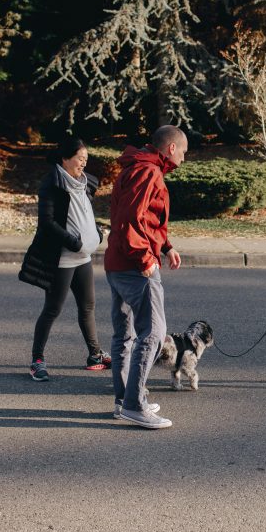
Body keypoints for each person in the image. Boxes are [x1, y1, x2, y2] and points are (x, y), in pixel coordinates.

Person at [105, 125, 188, 429]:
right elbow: (129, 219)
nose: (184, 157)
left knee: (125, 335)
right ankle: (134, 405)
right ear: (171, 149)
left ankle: (124, 400)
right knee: (153, 332)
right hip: (133, 264)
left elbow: (139, 216)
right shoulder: (149, 172)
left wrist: (166, 246)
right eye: (183, 151)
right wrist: (146, 259)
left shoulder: (137, 166)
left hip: (117, 263)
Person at [18, 137, 109, 381]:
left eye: (86, 159)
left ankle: (95, 355)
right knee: (52, 309)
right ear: (65, 158)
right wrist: (75, 242)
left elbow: (86, 213)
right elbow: (47, 224)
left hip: (84, 258)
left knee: (88, 306)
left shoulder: (84, 182)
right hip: (63, 259)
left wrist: (96, 233)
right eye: (80, 159)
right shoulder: (52, 184)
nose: (84, 163)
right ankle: (37, 360)